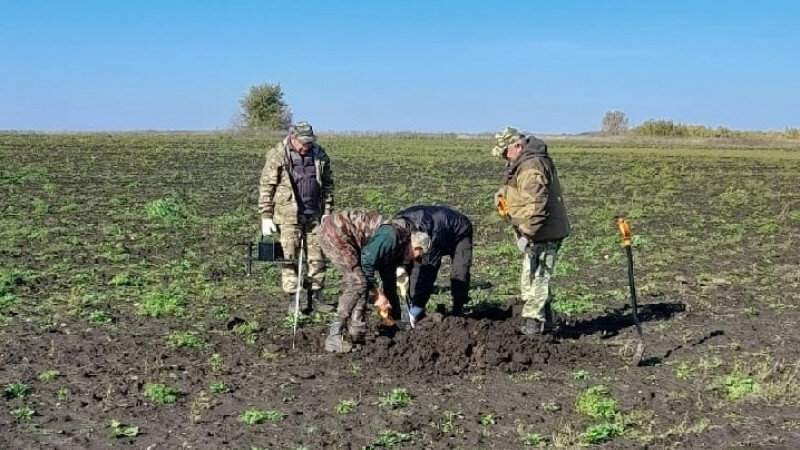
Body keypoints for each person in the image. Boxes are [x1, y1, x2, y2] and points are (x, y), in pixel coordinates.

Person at [492, 126, 570, 336]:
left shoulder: (531, 167)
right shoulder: (521, 163)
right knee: (532, 279)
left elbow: (536, 206)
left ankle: (533, 329)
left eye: (504, 151)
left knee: (538, 279)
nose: (502, 157)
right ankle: (547, 323)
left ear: (517, 146)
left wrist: (526, 234)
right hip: (537, 232)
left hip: (544, 232)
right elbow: (520, 192)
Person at [318, 211, 431, 352]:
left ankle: (356, 332)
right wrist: (378, 295)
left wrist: (395, 320)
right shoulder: (391, 237)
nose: (414, 260)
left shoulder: (398, 249)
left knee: (363, 282)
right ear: (416, 247)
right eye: (417, 255)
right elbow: (367, 263)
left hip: (350, 241)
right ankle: (334, 336)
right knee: (358, 282)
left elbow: (389, 284)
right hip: (336, 234)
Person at [258, 121, 335, 313]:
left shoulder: (319, 154)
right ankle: (294, 299)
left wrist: (327, 212)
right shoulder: (278, 154)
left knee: (317, 257)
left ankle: (315, 297)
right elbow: (267, 186)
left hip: (314, 214)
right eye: (302, 142)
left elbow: (328, 185)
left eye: (309, 142)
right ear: (293, 137)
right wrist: (266, 215)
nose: (305, 146)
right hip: (288, 215)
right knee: (290, 257)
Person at [392, 205, 473, 326]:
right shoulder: (400, 226)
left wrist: (416, 307)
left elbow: (427, 271)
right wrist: (402, 267)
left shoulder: (431, 237)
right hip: (435, 228)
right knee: (414, 267)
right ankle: (414, 308)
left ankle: (457, 311)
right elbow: (403, 253)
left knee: (460, 272)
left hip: (459, 232)